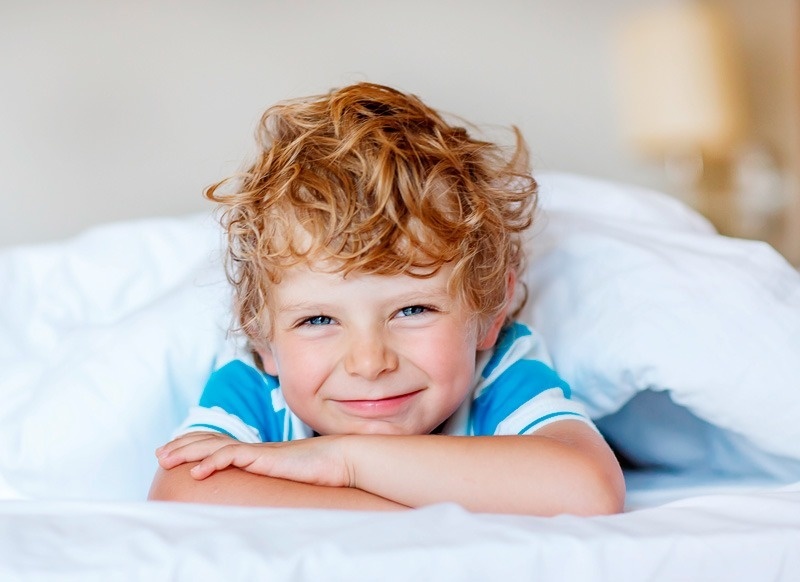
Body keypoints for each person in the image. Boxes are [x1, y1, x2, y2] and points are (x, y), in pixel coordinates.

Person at [148, 82, 624, 515]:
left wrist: (346, 461)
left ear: (489, 311)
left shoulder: (497, 372)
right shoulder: (258, 388)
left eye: (412, 310)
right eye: (317, 320)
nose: (369, 362)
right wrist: (405, 513)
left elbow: (589, 488)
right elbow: (182, 489)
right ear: (261, 336)